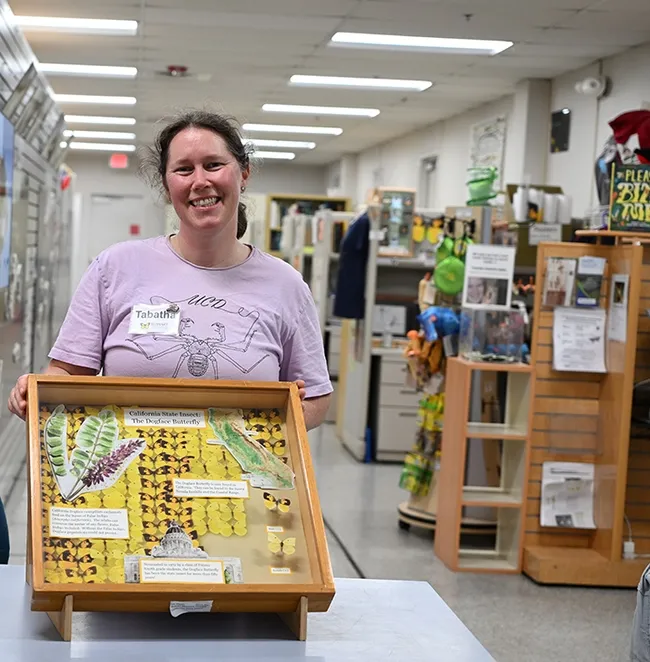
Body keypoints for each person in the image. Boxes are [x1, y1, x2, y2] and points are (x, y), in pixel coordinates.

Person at [7, 110, 332, 430]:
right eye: (184, 169)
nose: (200, 181)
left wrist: (278, 425)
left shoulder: (285, 285)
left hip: (238, 478)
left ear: (243, 173)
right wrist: (37, 389)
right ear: (166, 184)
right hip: (134, 474)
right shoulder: (115, 268)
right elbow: (67, 372)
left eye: (214, 165)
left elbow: (315, 397)